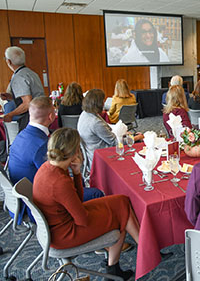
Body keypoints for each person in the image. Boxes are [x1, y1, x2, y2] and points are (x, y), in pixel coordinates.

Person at [33, 128, 140, 279]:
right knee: (120, 215)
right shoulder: (60, 182)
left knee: (121, 201)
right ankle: (126, 259)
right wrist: (76, 174)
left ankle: (139, 249)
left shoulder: (47, 168)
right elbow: (82, 219)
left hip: (55, 226)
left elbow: (76, 199)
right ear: (75, 151)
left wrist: (77, 173)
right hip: (64, 234)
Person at [9, 96, 104, 201]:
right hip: (37, 200)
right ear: (51, 117)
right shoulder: (41, 145)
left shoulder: (21, 135)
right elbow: (54, 176)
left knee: (79, 181)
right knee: (95, 193)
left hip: (22, 194)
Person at [78, 89, 143, 167]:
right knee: (138, 149)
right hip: (102, 154)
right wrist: (135, 138)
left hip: (92, 150)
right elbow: (115, 142)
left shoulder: (85, 114)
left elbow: (106, 128)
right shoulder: (95, 123)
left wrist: (125, 134)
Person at [1, 46, 44, 130]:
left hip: (31, 117)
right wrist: (10, 97)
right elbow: (33, 95)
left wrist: (10, 114)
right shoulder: (32, 73)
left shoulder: (19, 77)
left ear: (8, 61)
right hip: (42, 113)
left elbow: (27, 103)